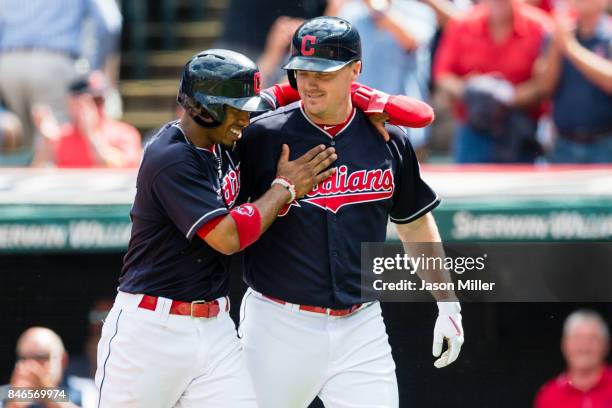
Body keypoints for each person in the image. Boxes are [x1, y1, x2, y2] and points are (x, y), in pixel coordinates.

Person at [237, 17, 464, 408]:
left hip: (361, 324)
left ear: (356, 69)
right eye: (302, 71)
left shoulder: (387, 138)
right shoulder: (263, 137)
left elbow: (413, 223)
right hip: (279, 322)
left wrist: (447, 302)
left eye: (324, 72)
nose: (310, 82)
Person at [95, 49, 338, 408]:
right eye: (236, 107)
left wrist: (374, 101)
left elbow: (284, 93)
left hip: (215, 328)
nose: (247, 116)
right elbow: (228, 237)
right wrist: (284, 189)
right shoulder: (171, 158)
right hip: (150, 332)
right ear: (204, 108)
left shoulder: (227, 134)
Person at [0, 0, 122, 166]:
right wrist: (93, 67)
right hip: (54, 64)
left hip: (7, 64)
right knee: (53, 144)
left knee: (34, 146)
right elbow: (110, 23)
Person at [433, 0, 551, 163]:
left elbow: (546, 83)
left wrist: (507, 97)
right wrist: (473, 92)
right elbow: (443, 75)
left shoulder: (540, 27)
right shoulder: (462, 24)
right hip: (473, 131)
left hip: (522, 130)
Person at [337, 0, 438, 156]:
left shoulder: (420, 11)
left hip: (404, 127)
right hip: (357, 123)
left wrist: (378, 9)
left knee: (409, 178)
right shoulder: (351, 12)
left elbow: (411, 41)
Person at [540, 0, 612, 163]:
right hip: (563, 144)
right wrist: (556, 45)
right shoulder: (558, 34)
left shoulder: (609, 35)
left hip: (605, 142)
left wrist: (570, 48)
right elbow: (544, 88)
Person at [31, 72, 142, 168]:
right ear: (70, 104)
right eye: (89, 102)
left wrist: (92, 135)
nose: (96, 108)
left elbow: (125, 172)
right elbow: (34, 176)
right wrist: (46, 143)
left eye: (99, 100)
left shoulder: (125, 133)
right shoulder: (61, 137)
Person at [1, 327, 97, 408]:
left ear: (62, 360)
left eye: (40, 357)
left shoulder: (87, 391)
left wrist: (49, 395)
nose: (31, 365)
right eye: (23, 358)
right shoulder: (3, 395)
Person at [534, 309, 612, 408]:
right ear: (564, 345)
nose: (584, 346)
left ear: (606, 345)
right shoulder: (549, 396)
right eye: (577, 338)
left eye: (592, 338)